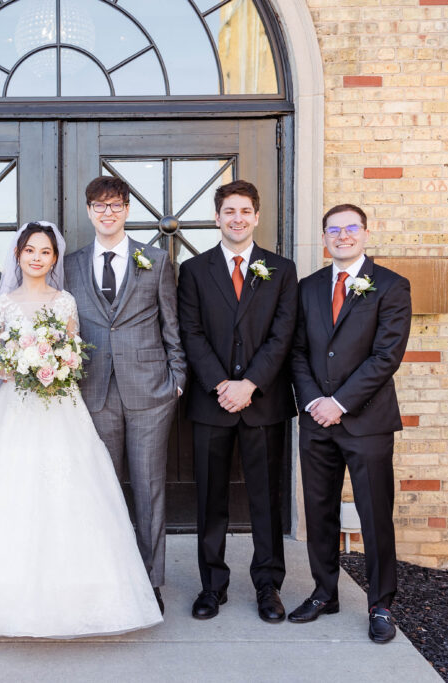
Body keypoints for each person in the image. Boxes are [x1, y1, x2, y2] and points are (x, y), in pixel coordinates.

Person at [0, 222, 162, 638]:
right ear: (19, 256)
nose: (37, 258)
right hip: (14, 405)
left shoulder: (64, 302)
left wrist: (58, 365)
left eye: (45, 252)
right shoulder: (3, 304)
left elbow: (75, 352)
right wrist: (19, 365)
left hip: (60, 405)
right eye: (30, 251)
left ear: (54, 259)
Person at [287, 204, 411, 643]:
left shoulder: (393, 286)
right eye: (333, 229)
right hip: (316, 420)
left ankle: (381, 604)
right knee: (318, 512)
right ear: (324, 238)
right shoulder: (308, 288)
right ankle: (325, 592)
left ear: (365, 233)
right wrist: (314, 403)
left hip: (367, 421)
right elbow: (297, 351)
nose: (342, 235)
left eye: (350, 228)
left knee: (375, 515)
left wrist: (339, 402)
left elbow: (386, 356)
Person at [176, 180, 298, 622]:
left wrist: (250, 385)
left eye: (245, 210)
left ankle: (268, 587)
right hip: (212, 403)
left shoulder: (281, 270)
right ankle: (212, 586)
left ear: (257, 217)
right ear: (217, 218)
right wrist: (221, 384)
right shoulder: (193, 270)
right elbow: (190, 332)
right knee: (211, 500)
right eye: (229, 211)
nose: (237, 218)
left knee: (266, 501)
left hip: (263, 403)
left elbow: (283, 334)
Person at [63, 176, 186, 613]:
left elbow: (171, 324)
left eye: (115, 205)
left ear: (128, 209)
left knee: (150, 488)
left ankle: (151, 583)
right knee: (103, 490)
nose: (107, 212)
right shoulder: (71, 264)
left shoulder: (155, 258)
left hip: (151, 390)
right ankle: (111, 580)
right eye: (99, 205)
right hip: (94, 390)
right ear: (90, 211)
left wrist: (178, 378)